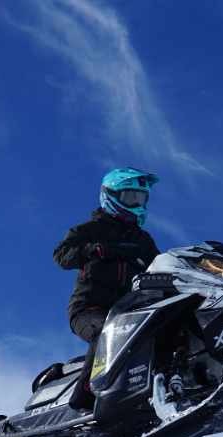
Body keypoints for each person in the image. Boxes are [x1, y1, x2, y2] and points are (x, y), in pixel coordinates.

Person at [53, 167, 161, 409]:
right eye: (131, 197)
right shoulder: (88, 231)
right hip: (88, 309)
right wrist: (90, 250)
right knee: (109, 332)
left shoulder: (142, 240)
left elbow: (161, 266)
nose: (138, 204)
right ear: (112, 196)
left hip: (129, 311)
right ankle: (85, 397)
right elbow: (61, 256)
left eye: (141, 198)